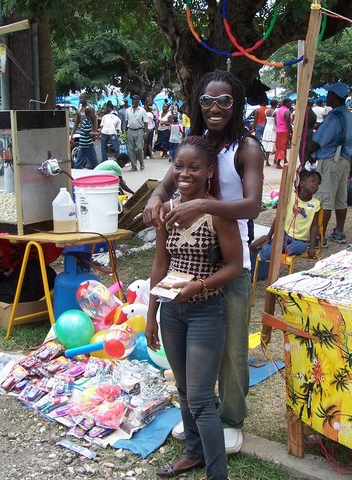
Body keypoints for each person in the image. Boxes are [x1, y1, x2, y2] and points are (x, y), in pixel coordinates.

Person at [144, 70, 264, 455]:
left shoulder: (246, 148)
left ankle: (230, 418)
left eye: (224, 101)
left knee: (231, 346)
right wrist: (153, 198)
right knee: (195, 344)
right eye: (207, 100)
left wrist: (202, 204)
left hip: (232, 258)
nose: (215, 108)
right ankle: (201, 414)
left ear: (236, 104)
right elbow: (167, 183)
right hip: (190, 262)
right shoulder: (197, 144)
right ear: (198, 103)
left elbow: (252, 205)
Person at [146, 136, 242, 480]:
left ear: (209, 171)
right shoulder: (167, 210)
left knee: (201, 399)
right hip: (173, 311)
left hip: (206, 310)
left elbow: (235, 266)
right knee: (184, 390)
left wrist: (198, 286)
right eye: (179, 166)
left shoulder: (216, 213)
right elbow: (160, 263)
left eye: (194, 167)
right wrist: (151, 315)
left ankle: (218, 474)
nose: (185, 173)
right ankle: (193, 454)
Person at [307, 82, 352, 247]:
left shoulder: (334, 117)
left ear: (335, 96)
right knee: (340, 199)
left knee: (324, 199)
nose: (327, 97)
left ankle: (320, 236)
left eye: (329, 94)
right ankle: (339, 232)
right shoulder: (348, 115)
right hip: (343, 161)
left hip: (331, 161)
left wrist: (308, 153)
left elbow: (318, 141)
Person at [251, 169, 321, 281]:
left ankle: (269, 249)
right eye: (313, 181)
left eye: (318, 183)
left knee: (298, 247)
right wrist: (268, 237)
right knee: (276, 248)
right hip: (284, 235)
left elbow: (314, 227)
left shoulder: (316, 204)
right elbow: (279, 217)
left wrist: (312, 247)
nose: (316, 184)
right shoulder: (290, 197)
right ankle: (266, 247)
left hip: (300, 241)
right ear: (302, 183)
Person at [72, 94, 99, 169]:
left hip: (88, 134)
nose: (80, 99)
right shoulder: (79, 109)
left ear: (86, 99)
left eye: (82, 98)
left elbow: (94, 121)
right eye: (79, 98)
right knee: (89, 154)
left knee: (87, 153)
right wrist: (72, 133)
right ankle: (94, 167)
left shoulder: (91, 108)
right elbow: (77, 122)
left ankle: (90, 167)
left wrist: (94, 133)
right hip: (84, 134)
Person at [125, 95, 147, 171]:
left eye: (134, 100)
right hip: (130, 130)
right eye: (132, 100)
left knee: (139, 148)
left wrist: (145, 133)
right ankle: (134, 166)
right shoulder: (128, 110)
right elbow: (126, 121)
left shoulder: (142, 110)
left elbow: (146, 122)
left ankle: (141, 163)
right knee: (130, 149)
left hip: (139, 130)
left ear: (138, 101)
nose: (133, 101)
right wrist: (125, 132)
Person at [274, 98, 292, 169]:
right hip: (284, 130)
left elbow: (275, 121)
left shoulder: (278, 110)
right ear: (286, 103)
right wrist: (291, 132)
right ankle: (278, 163)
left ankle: (285, 160)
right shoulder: (287, 111)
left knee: (280, 146)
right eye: (290, 102)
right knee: (283, 146)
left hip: (278, 130)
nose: (290, 104)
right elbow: (288, 123)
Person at [261, 99, 277, 166]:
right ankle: (275, 161)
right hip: (272, 128)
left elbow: (265, 121)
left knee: (267, 144)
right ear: (275, 104)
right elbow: (276, 122)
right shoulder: (275, 112)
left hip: (267, 128)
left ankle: (267, 161)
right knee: (274, 144)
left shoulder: (266, 111)